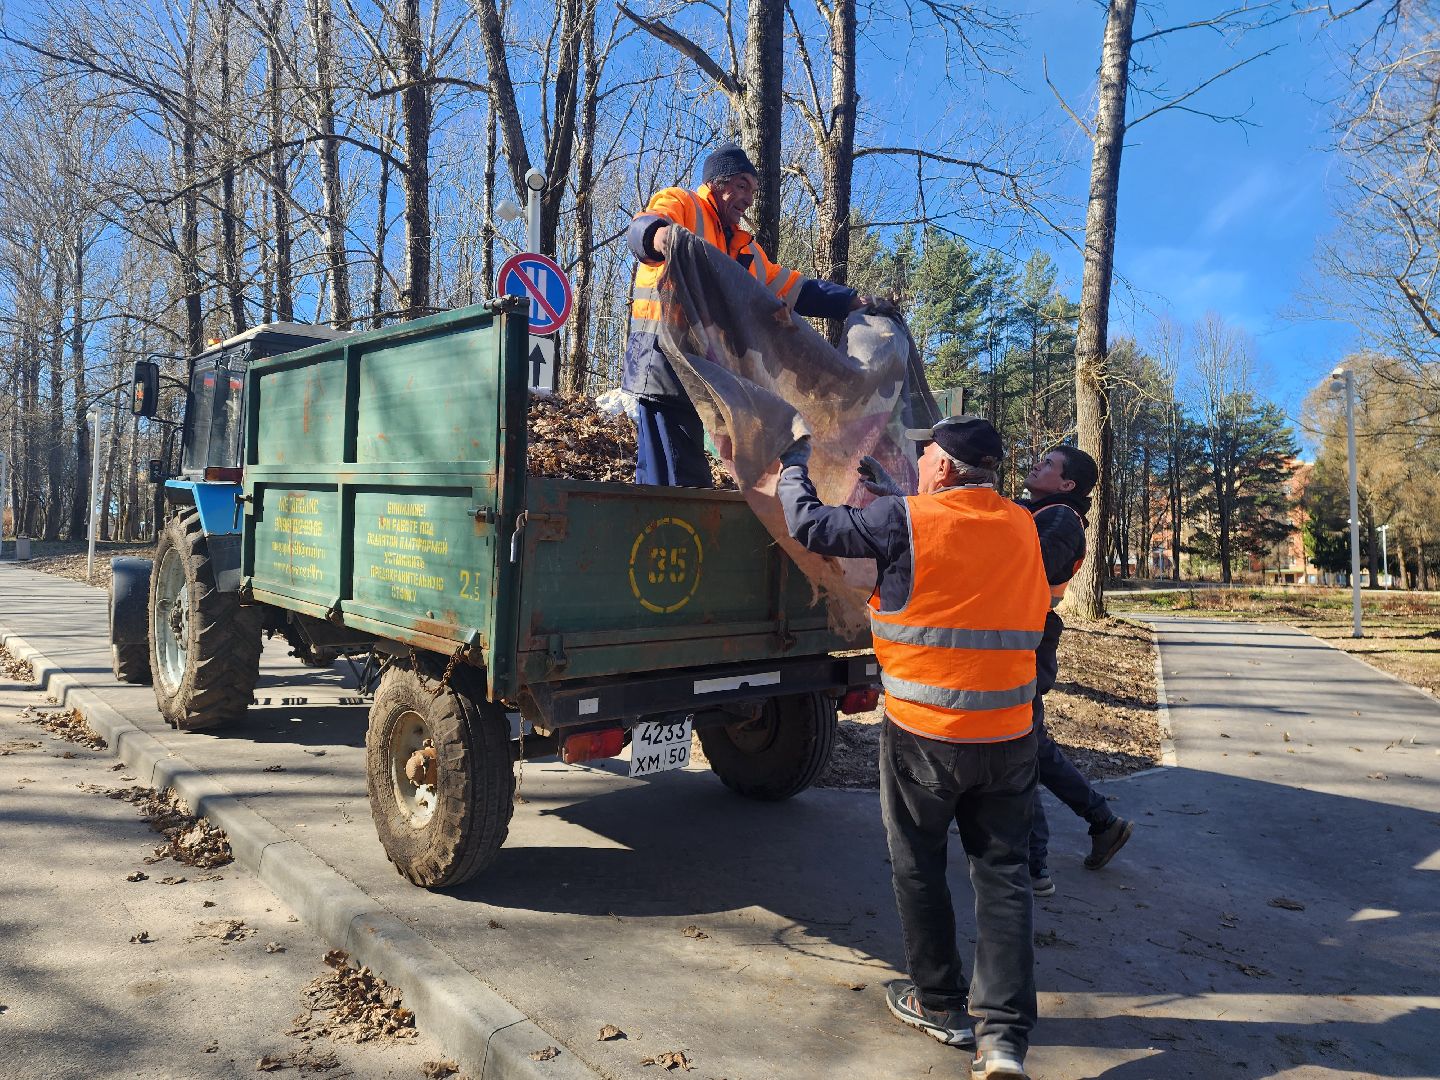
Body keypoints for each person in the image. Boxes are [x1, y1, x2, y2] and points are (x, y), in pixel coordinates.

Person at [780, 416, 1048, 1080]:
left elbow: (811, 526)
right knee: (1005, 879)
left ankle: (940, 1003)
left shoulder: (907, 521)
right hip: (1011, 735)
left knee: (920, 865)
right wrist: (878, 492)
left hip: (926, 737)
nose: (919, 463)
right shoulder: (1022, 525)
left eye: (927, 455)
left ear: (948, 468)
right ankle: (1005, 1039)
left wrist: (793, 462)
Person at [624, 142, 867, 487]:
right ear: (715, 184)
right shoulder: (683, 203)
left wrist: (850, 301)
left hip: (702, 365)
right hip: (662, 356)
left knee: (666, 469)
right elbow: (642, 228)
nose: (749, 198)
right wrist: (660, 236)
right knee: (673, 471)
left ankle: (656, 528)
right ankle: (666, 530)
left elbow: (794, 289)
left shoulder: (745, 249)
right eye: (741, 185)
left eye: (752, 190)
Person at [1017, 446, 1133, 896]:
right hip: (1024, 638)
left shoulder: (1060, 519)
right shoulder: (1038, 511)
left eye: (1048, 463)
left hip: (1026, 641)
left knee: (1019, 752)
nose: (1036, 463)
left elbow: (1025, 571)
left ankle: (1033, 866)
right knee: (1032, 747)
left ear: (1067, 484)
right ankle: (1102, 821)